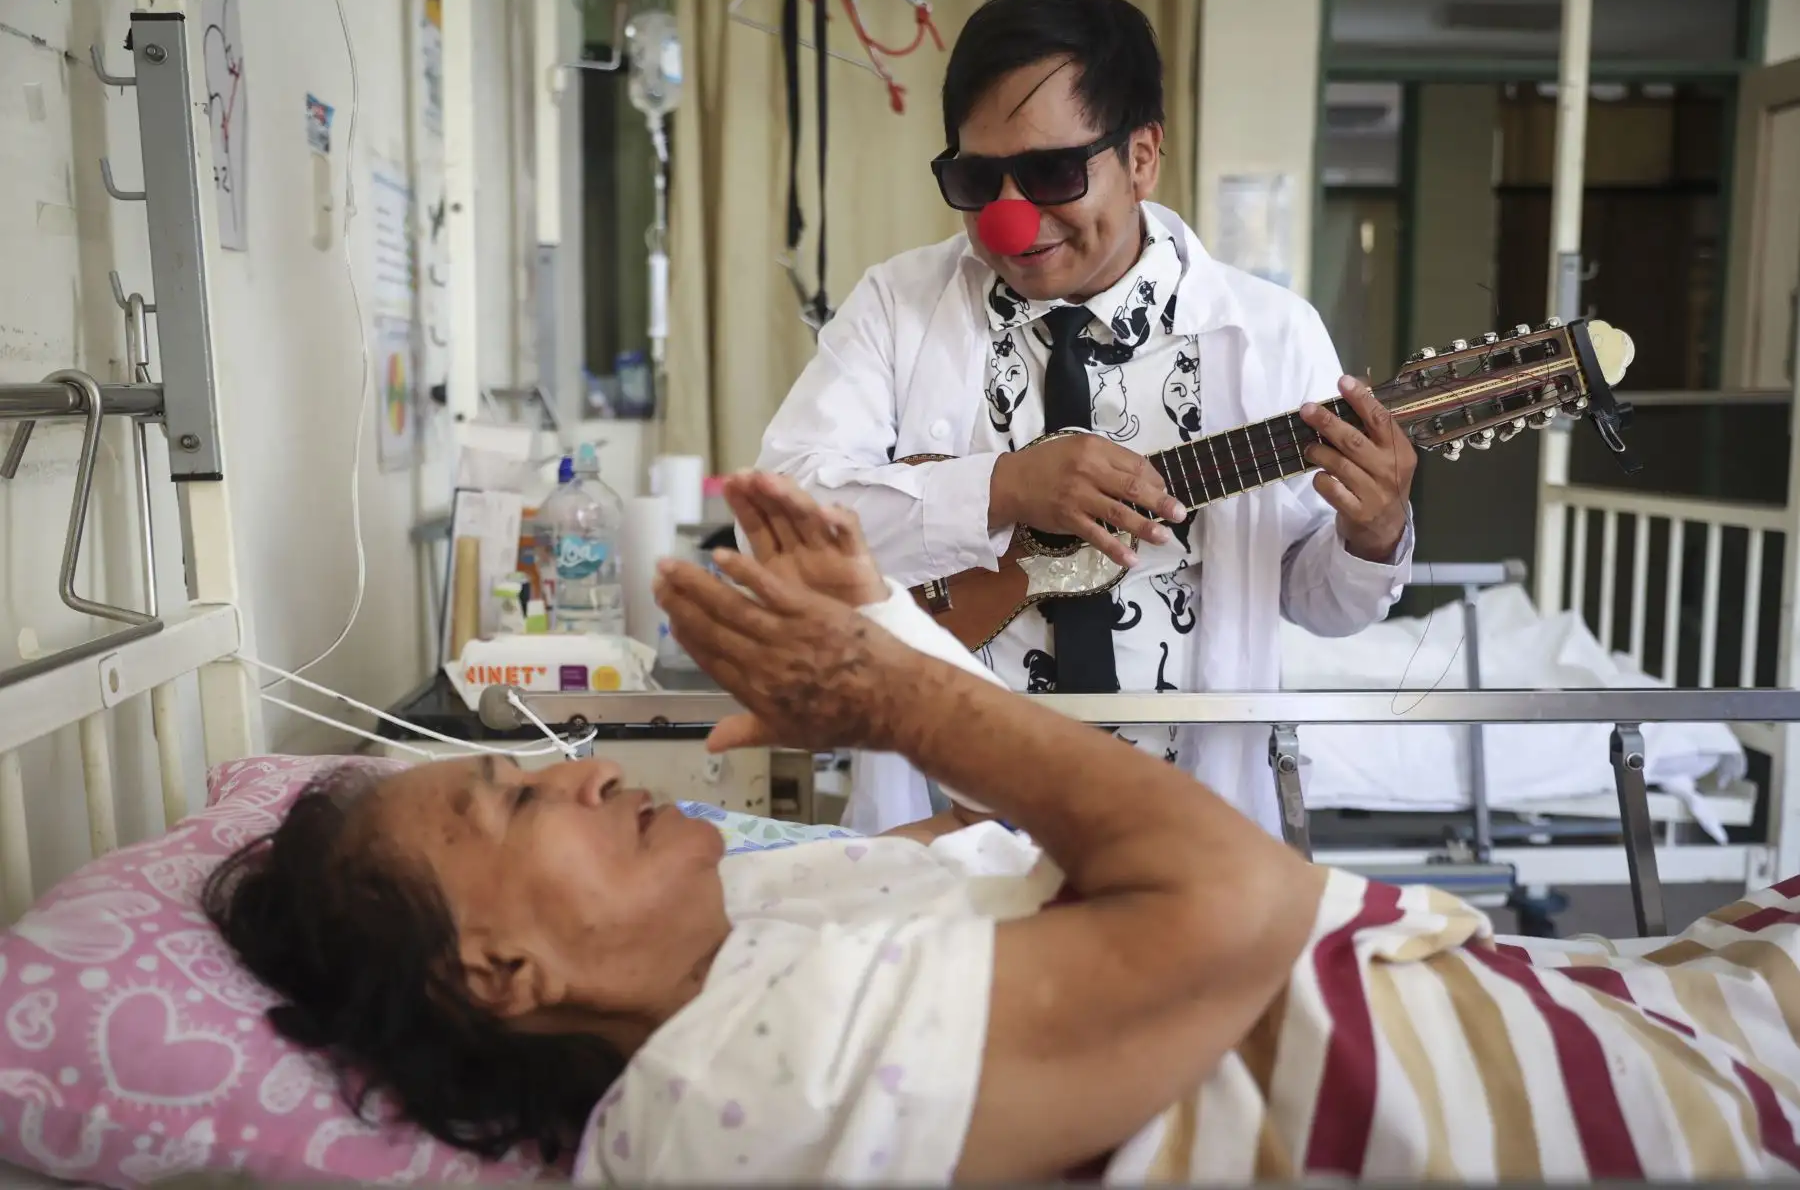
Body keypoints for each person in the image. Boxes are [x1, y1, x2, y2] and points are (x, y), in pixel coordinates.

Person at [207, 472, 1800, 1183]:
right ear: (497, 972)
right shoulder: (726, 1095)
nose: (575, 769)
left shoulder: (753, 930)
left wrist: (885, 628)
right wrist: (892, 696)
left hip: (1585, 1000)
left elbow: (991, 840)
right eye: (511, 799)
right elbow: (1232, 907)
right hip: (1599, 1113)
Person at [754, 0, 1418, 836]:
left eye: (1051, 173)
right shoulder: (896, 307)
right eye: (974, 178)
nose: (1008, 218)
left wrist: (1373, 533)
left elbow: (1318, 602)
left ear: (1141, 157)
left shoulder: (1270, 335)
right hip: (942, 832)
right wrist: (998, 490)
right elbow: (774, 527)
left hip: (1187, 837)